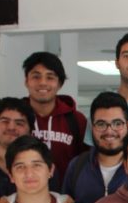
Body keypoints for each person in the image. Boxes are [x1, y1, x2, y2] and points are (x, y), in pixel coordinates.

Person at [0, 97, 54, 203]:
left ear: (30, 132)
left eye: (19, 123)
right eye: (5, 121)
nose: (11, 127)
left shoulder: (44, 167)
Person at [22, 51, 90, 189]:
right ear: (26, 81)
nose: (42, 83)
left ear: (59, 83)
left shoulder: (77, 120)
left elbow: (87, 165)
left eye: (50, 77)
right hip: (21, 200)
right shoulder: (14, 119)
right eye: (36, 76)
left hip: (65, 201)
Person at [62, 92, 128, 203]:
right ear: (91, 128)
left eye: (117, 123)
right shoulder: (77, 166)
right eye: (101, 124)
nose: (109, 131)